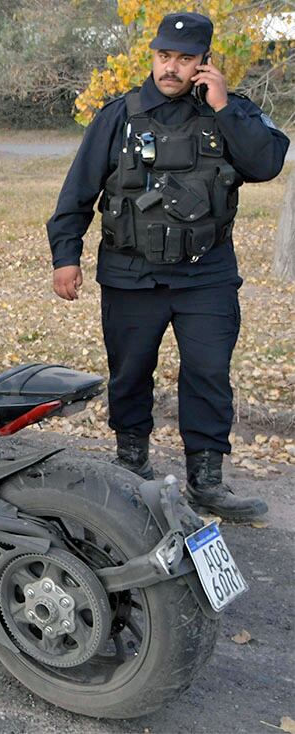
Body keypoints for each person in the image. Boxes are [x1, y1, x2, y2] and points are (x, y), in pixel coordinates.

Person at [47, 12, 289, 521]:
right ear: (152, 56)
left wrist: (224, 107)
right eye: (164, 56)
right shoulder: (119, 115)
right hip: (131, 273)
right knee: (130, 373)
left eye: (184, 59)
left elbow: (266, 164)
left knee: (209, 375)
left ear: (204, 62)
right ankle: (131, 469)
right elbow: (79, 191)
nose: (171, 68)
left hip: (207, 274)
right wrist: (65, 257)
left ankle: (208, 482)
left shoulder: (230, 112)